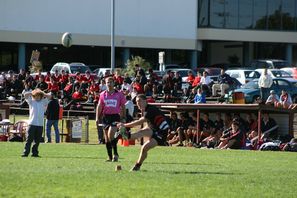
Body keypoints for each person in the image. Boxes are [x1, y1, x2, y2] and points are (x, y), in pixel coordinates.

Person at [117, 94, 170, 171]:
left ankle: (137, 166)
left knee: (144, 147)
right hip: (154, 129)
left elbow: (140, 122)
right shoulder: (145, 110)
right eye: (136, 102)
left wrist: (125, 125)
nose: (137, 103)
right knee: (140, 134)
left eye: (139, 101)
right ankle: (125, 136)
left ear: (145, 101)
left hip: (161, 133)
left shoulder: (150, 109)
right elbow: (147, 124)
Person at [96, 77, 126, 162]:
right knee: (107, 138)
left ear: (114, 83)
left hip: (115, 116)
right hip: (106, 117)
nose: (109, 84)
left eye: (110, 82)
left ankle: (115, 154)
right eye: (107, 82)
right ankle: (109, 157)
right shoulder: (102, 94)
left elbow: (123, 106)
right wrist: (97, 117)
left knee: (110, 134)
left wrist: (124, 117)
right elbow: (99, 106)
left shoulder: (119, 94)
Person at [21, 89, 51, 157]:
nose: (37, 97)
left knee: (37, 141)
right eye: (36, 96)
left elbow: (49, 96)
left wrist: (42, 93)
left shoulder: (43, 102)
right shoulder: (31, 101)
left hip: (40, 124)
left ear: (41, 96)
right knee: (29, 140)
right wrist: (32, 93)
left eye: (39, 96)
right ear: (34, 96)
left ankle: (35, 153)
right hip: (32, 123)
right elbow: (25, 95)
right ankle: (25, 153)